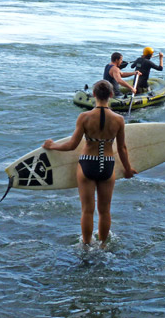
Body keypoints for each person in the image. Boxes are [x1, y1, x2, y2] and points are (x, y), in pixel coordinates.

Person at [43, 80, 137, 247]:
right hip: (108, 164)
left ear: (93, 95)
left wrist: (52, 146)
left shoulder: (84, 117)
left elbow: (71, 145)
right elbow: (122, 148)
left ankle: (86, 246)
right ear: (111, 94)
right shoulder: (118, 119)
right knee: (105, 211)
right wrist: (128, 169)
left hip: (87, 162)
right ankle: (102, 245)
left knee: (87, 210)